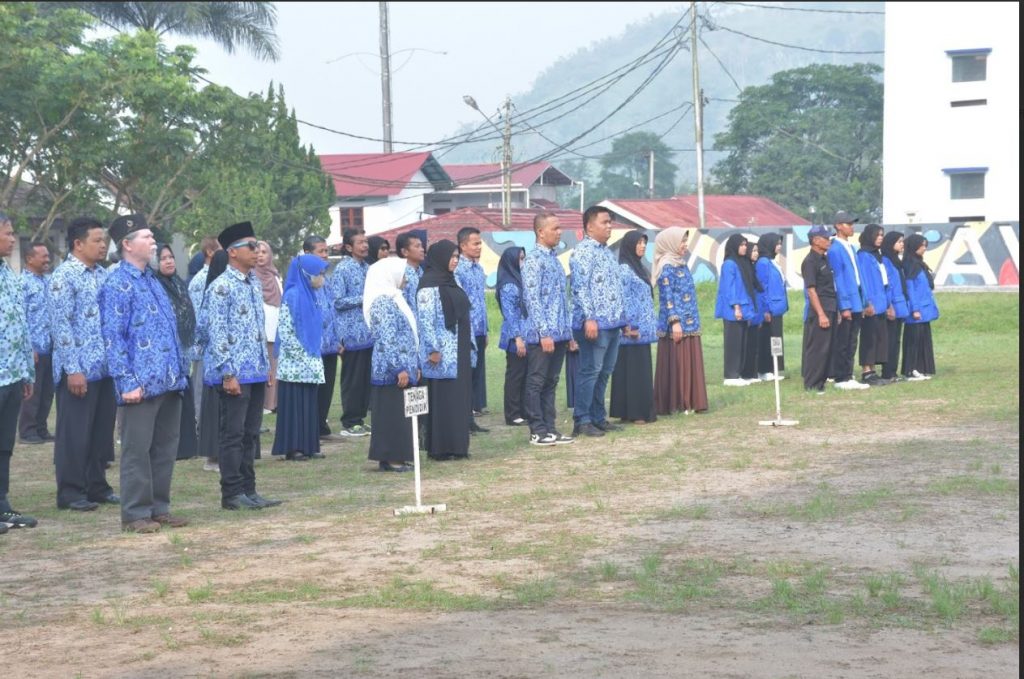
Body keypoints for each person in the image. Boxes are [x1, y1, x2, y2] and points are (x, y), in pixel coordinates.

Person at [99, 216, 190, 533]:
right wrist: (126, 382)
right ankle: (136, 514)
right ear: (127, 243)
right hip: (140, 383)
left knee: (165, 448)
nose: (154, 241)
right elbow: (113, 337)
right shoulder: (116, 283)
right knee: (137, 450)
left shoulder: (151, 280)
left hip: (168, 379)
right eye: (147, 237)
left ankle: (158, 508)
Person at [204, 221, 280, 510]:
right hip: (234, 373)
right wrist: (228, 372)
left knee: (250, 434)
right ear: (233, 253)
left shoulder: (253, 283)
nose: (257, 250)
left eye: (258, 245)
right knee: (232, 434)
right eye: (251, 246)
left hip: (256, 370)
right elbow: (217, 331)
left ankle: (249, 489)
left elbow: (258, 328)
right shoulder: (221, 287)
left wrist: (266, 365)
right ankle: (232, 493)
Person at [49, 217, 118, 511]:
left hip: (103, 367)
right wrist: (72, 369)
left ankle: (96, 485)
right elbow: (60, 326)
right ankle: (70, 491)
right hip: (78, 369)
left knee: (100, 433)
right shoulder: (64, 277)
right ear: (78, 244)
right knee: (74, 433)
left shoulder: (102, 275)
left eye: (104, 241)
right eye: (97, 241)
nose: (103, 245)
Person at [570, 206, 626, 437]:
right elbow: (580, 288)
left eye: (610, 222)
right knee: (590, 371)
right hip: (593, 323)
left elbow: (614, 288)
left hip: (612, 323)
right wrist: (589, 318)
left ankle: (597, 417)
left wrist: (623, 318)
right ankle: (582, 420)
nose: (609, 226)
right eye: (604, 222)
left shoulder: (607, 252)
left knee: (605, 371)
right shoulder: (583, 252)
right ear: (590, 226)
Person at [417, 240, 473, 461]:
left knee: (458, 397)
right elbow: (425, 321)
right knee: (442, 399)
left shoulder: (452, 281)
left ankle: (458, 446)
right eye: (451, 256)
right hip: (440, 353)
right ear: (439, 258)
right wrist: (432, 349)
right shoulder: (428, 287)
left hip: (457, 349)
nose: (455, 260)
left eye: (457, 257)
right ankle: (440, 448)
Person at [0, 213, 39, 531]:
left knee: (4, 444)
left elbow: (19, 326)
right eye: (8, 233)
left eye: (13, 233)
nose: (13, 239)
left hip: (12, 374)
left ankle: (2, 505)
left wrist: (26, 372)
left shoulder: (8, 273)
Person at [365, 257, 420, 472]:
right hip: (391, 370)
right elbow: (387, 339)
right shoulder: (382, 302)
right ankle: (391, 458)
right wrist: (399, 367)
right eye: (402, 274)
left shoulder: (395, 298)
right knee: (391, 414)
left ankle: (399, 455)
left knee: (400, 414)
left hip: (405, 366)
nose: (406, 279)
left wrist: (413, 363)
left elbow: (408, 333)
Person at [272, 255, 329, 462]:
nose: (321, 278)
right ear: (306, 274)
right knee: (295, 405)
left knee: (309, 405)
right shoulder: (293, 295)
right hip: (295, 363)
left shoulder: (312, 295)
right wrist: (303, 356)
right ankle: (293, 447)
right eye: (319, 273)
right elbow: (286, 331)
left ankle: (309, 445)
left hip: (311, 361)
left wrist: (313, 355)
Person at [522, 214, 573, 446]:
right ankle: (537, 430)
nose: (559, 232)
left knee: (551, 382)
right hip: (542, 334)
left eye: (560, 227)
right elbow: (532, 299)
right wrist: (544, 332)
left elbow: (563, 299)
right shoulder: (533, 260)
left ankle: (550, 428)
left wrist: (569, 333)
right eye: (555, 228)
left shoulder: (554, 259)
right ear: (541, 232)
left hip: (560, 332)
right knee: (536, 381)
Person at [652, 227, 708, 415]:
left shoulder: (681, 264)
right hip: (675, 326)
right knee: (678, 362)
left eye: (685, 241)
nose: (685, 245)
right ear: (670, 243)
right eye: (681, 242)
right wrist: (675, 322)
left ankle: (690, 401)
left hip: (690, 322)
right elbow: (667, 298)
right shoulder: (666, 267)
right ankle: (677, 402)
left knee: (689, 361)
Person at [154, 243, 198, 461]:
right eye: (163, 258)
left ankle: (188, 446)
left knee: (184, 398)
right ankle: (173, 449)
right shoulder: (155, 286)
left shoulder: (179, 284)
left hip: (182, 351)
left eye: (171, 257)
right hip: (163, 355)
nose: (169, 261)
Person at [609, 230, 657, 424]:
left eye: (644, 243)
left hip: (642, 330)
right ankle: (634, 412)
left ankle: (634, 410)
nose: (643, 246)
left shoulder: (638, 267)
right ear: (629, 245)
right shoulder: (624, 269)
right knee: (632, 370)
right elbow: (624, 299)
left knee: (638, 369)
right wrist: (629, 326)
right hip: (631, 331)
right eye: (638, 243)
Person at [330, 228, 373, 437]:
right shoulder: (342, 269)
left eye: (366, 242)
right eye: (360, 242)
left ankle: (360, 418)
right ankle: (349, 421)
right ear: (349, 247)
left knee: (365, 379)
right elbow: (337, 301)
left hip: (368, 333)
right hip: (351, 334)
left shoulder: (368, 268)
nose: (365, 246)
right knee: (353, 380)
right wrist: (363, 298)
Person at [302, 236, 342, 438]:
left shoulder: (326, 280)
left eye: (326, 251)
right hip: (313, 345)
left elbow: (332, 310)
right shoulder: (302, 280)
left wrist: (338, 339)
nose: (325, 255)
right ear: (308, 254)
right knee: (314, 387)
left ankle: (321, 423)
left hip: (330, 343)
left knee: (327, 387)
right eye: (321, 251)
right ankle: (311, 426)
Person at [827, 211, 870, 390]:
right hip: (847, 302)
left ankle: (849, 374)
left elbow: (859, 276)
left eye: (852, 224)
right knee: (843, 341)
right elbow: (837, 279)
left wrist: (865, 301)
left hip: (857, 300)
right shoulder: (835, 248)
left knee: (853, 340)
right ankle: (841, 377)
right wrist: (844, 306)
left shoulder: (851, 248)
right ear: (838, 226)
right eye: (848, 224)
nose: (851, 227)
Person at [18, 241, 55, 444]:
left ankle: (41, 428)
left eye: (48, 256)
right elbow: (19, 317)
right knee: (33, 392)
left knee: (48, 391)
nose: (47, 259)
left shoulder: (49, 281)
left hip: (51, 347)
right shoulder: (22, 284)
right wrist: (28, 346)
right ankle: (27, 431)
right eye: (43, 256)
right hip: (34, 348)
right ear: (30, 258)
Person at [195, 250, 228, 472]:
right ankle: (214, 456)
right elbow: (204, 327)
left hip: (237, 364)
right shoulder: (212, 290)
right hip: (217, 365)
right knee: (216, 411)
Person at [455, 227, 490, 428]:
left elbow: (481, 302)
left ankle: (471, 416)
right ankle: (463, 418)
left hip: (479, 329)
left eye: (480, 243)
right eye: (475, 243)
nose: (479, 247)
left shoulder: (478, 269)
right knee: (466, 375)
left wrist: (485, 330)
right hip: (466, 330)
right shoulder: (459, 270)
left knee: (476, 375)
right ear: (463, 246)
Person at [714, 234, 757, 387]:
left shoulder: (742, 263)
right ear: (734, 246)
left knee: (742, 343)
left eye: (746, 244)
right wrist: (736, 307)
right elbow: (729, 288)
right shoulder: (729, 264)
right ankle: (730, 375)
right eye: (742, 245)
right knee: (733, 343)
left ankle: (738, 373)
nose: (745, 247)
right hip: (734, 310)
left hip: (744, 309)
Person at [801, 226, 838, 394]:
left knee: (828, 348)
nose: (829, 240)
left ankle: (821, 382)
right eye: (826, 237)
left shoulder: (825, 259)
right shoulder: (810, 262)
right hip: (819, 310)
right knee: (817, 348)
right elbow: (811, 290)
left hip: (831, 306)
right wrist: (821, 314)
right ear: (815, 240)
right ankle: (812, 383)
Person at [187, 237, 221, 420]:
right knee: (200, 389)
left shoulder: (216, 276)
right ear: (210, 252)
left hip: (214, 347)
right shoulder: (202, 279)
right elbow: (199, 316)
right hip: (203, 347)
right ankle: (198, 425)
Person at [496, 247, 528, 426]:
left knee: (524, 374)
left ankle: (523, 410)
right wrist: (518, 338)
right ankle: (513, 413)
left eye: (524, 259)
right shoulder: (509, 285)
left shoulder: (519, 280)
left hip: (525, 333)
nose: (523, 263)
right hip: (515, 336)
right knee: (515, 375)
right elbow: (510, 314)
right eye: (520, 259)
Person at [856, 224, 891, 385]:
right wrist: (867, 302)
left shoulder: (878, 256)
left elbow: (885, 282)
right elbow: (864, 281)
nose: (880, 238)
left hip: (882, 302)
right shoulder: (863, 255)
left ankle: (873, 371)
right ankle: (866, 371)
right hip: (871, 304)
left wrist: (888, 303)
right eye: (877, 235)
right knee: (868, 338)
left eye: (882, 235)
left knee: (878, 338)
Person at [901, 234, 939, 381]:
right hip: (916, 310)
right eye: (922, 245)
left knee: (923, 339)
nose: (924, 248)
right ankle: (910, 369)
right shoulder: (910, 264)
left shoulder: (919, 264)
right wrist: (915, 309)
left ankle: (921, 368)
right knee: (913, 340)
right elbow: (910, 289)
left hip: (925, 309)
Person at [754, 233, 788, 380]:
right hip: (770, 308)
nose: (779, 246)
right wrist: (765, 309)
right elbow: (762, 287)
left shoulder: (772, 261)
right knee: (767, 338)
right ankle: (764, 369)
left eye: (780, 243)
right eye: (777, 243)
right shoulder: (763, 262)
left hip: (777, 307)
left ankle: (774, 368)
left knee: (776, 338)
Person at [254, 241, 282, 413]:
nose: (261, 255)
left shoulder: (275, 275)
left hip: (276, 329)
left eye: (264, 252)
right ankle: (263, 404)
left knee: (275, 366)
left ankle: (273, 403)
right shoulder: (251, 276)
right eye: (257, 252)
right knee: (263, 366)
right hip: (260, 331)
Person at [880, 232, 910, 383]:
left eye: (902, 241)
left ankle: (893, 372)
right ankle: (887, 372)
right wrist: (889, 305)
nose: (902, 244)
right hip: (892, 305)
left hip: (900, 304)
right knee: (890, 340)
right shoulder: (885, 260)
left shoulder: (896, 261)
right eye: (899, 241)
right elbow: (887, 285)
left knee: (896, 340)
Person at [740, 242, 765, 382]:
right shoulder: (746, 269)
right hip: (749, 310)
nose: (756, 253)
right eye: (753, 251)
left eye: (757, 251)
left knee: (754, 344)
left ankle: (753, 373)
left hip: (757, 310)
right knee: (748, 344)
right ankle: (747, 373)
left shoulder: (752, 268)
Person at [397, 230, 425, 314]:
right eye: (417, 246)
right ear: (405, 252)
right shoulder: (400, 274)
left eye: (422, 246)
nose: (422, 249)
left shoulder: (421, 272)